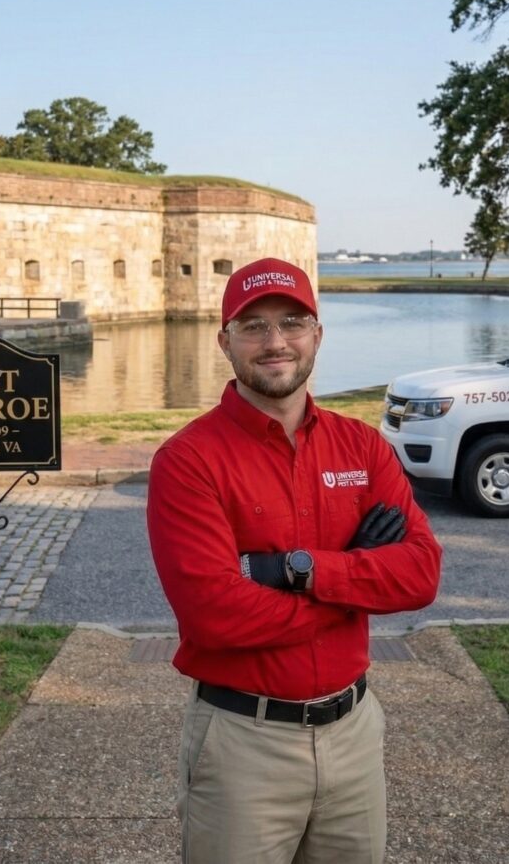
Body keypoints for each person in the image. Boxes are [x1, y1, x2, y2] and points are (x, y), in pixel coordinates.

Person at [146, 256, 442, 864]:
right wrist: (356, 579)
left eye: (292, 321)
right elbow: (215, 615)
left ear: (318, 335)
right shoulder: (188, 460)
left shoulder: (361, 445)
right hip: (242, 743)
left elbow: (420, 574)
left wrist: (298, 570)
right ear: (224, 340)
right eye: (252, 326)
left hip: (354, 733)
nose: (275, 341)